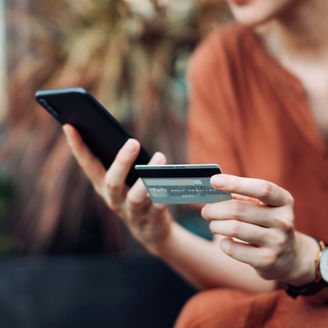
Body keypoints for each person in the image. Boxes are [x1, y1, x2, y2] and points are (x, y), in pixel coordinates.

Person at [62, 0, 328, 326]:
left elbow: (299, 266)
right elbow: (258, 275)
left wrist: (310, 260)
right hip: (303, 300)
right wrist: (162, 238)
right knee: (209, 316)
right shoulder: (223, 63)